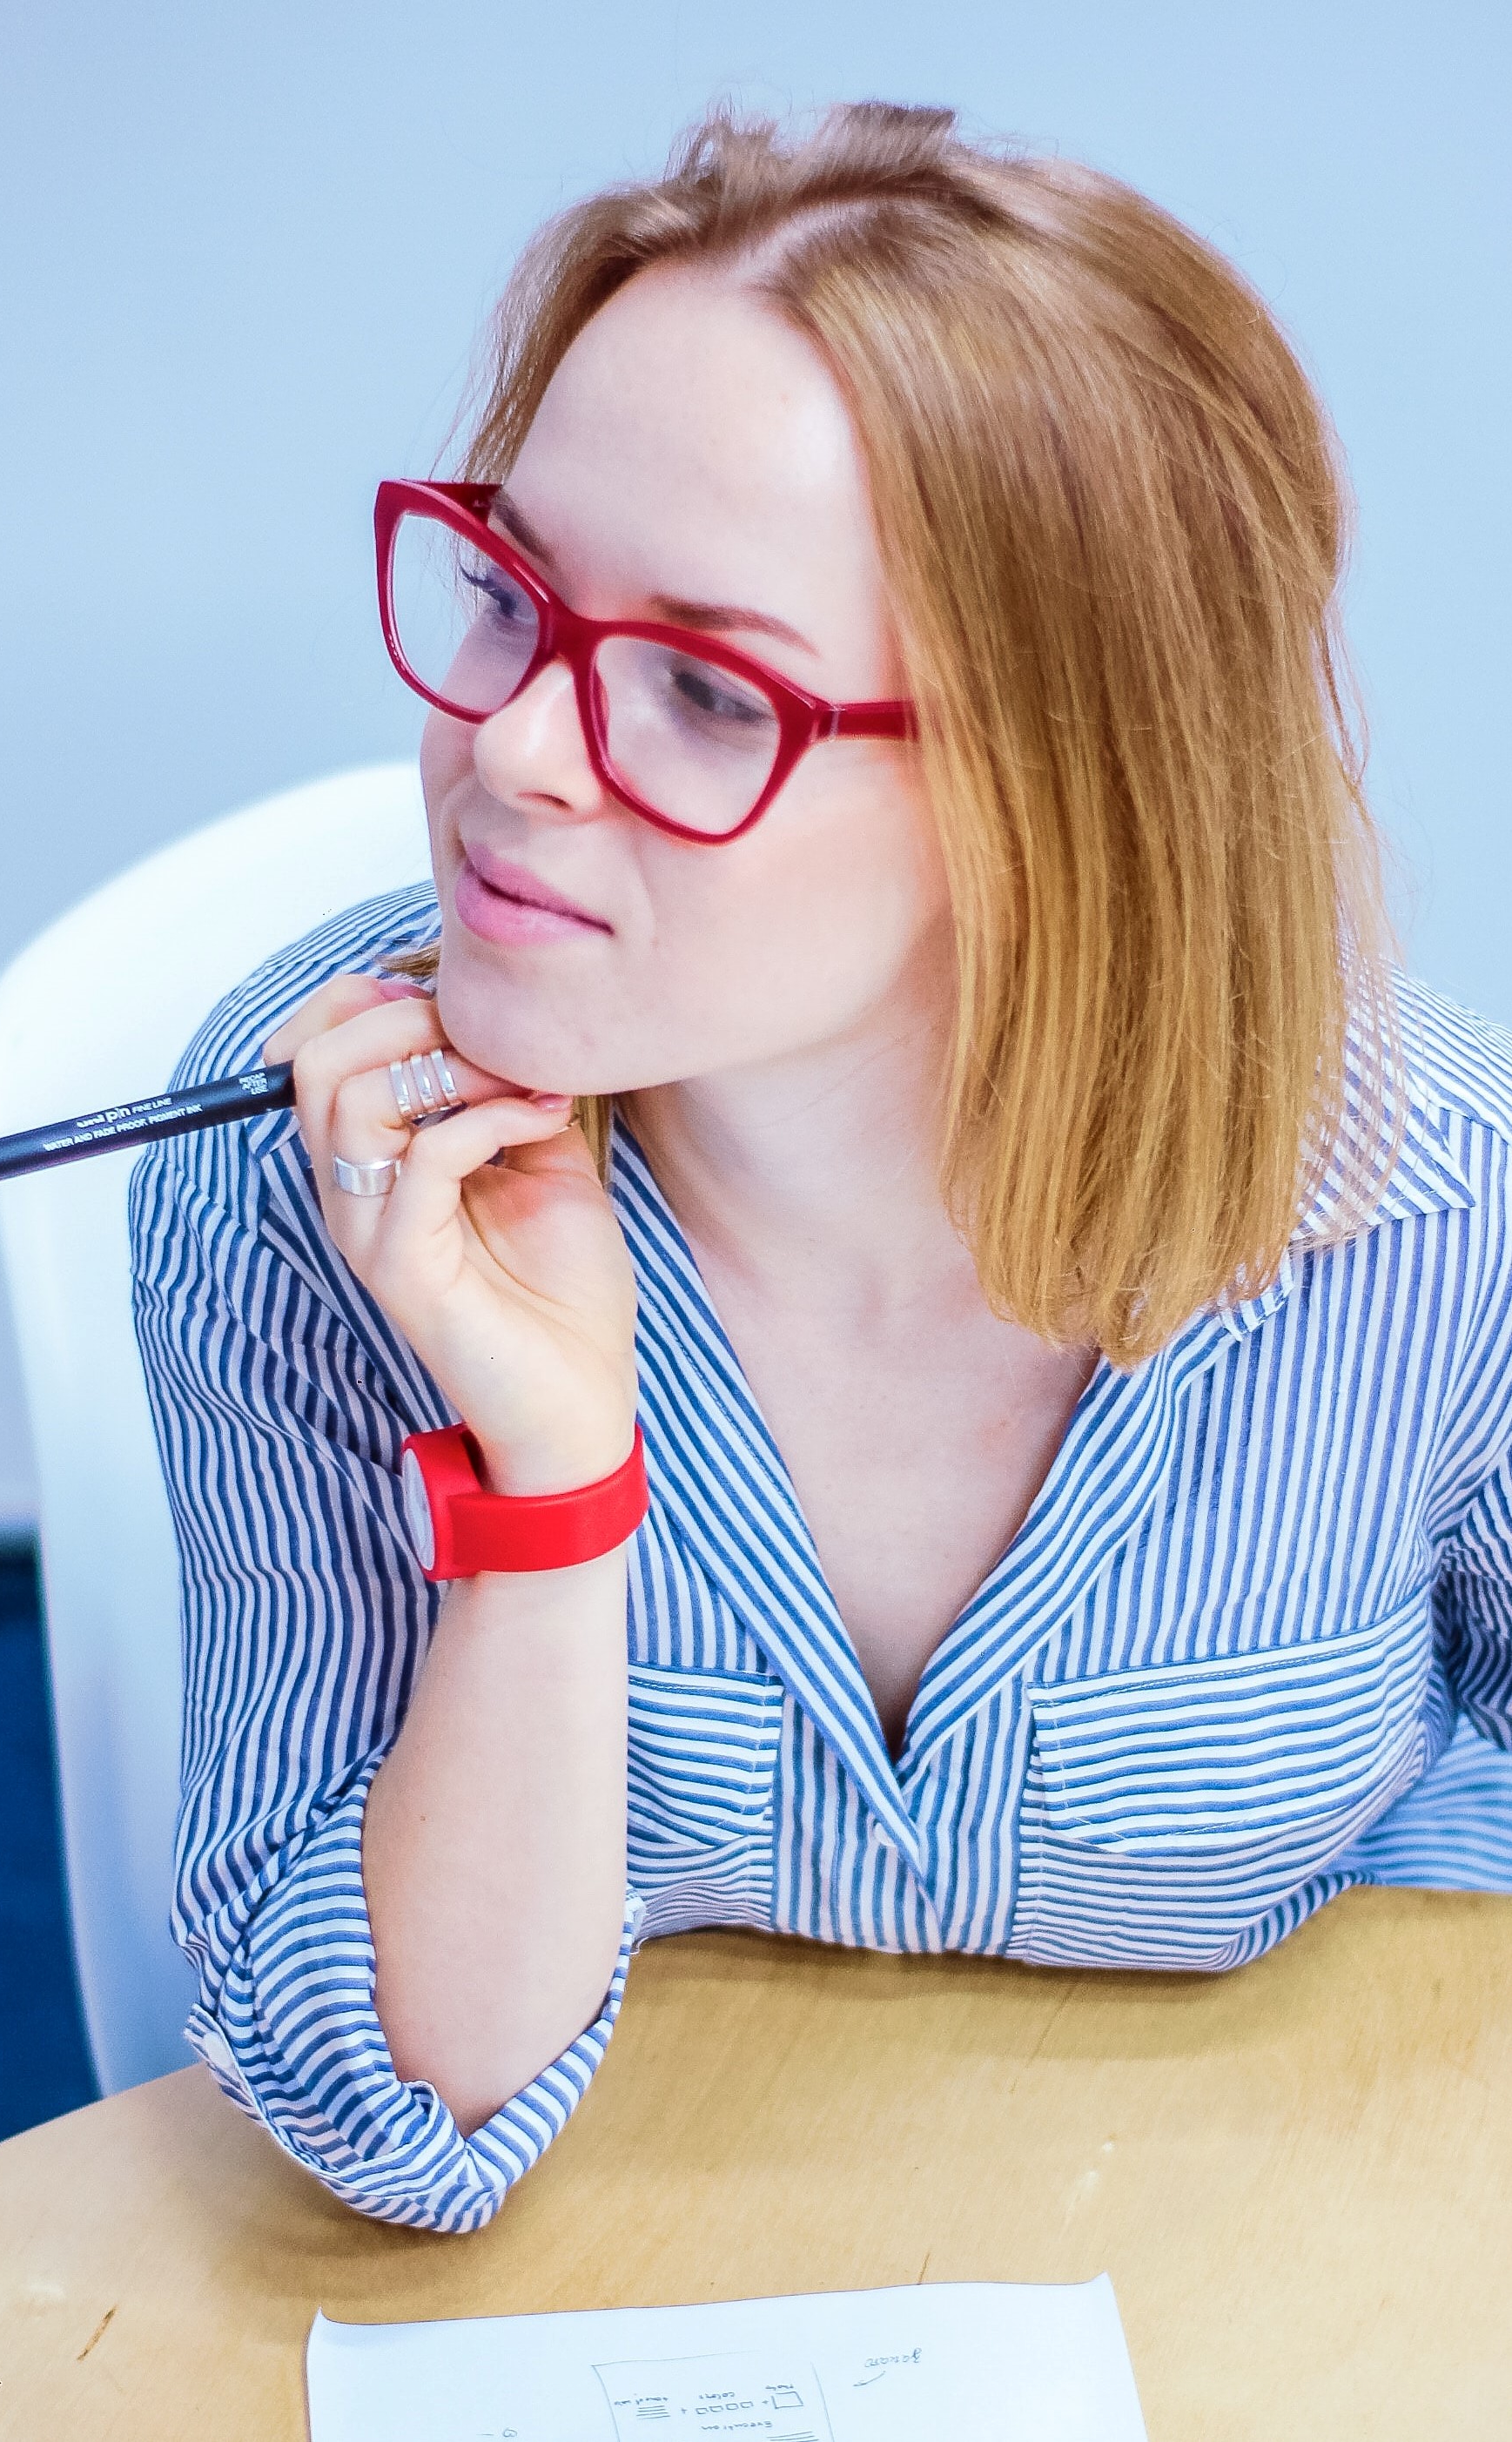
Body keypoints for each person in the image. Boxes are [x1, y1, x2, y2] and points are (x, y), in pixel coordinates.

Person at [131, 101, 1512, 2234]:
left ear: (1065, 787)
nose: (505, 745)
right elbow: (382, 2107)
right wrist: (554, 1489)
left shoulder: (1441, 1206)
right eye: (510, 590)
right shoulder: (316, 1178)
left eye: (698, 687)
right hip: (610, 2268)